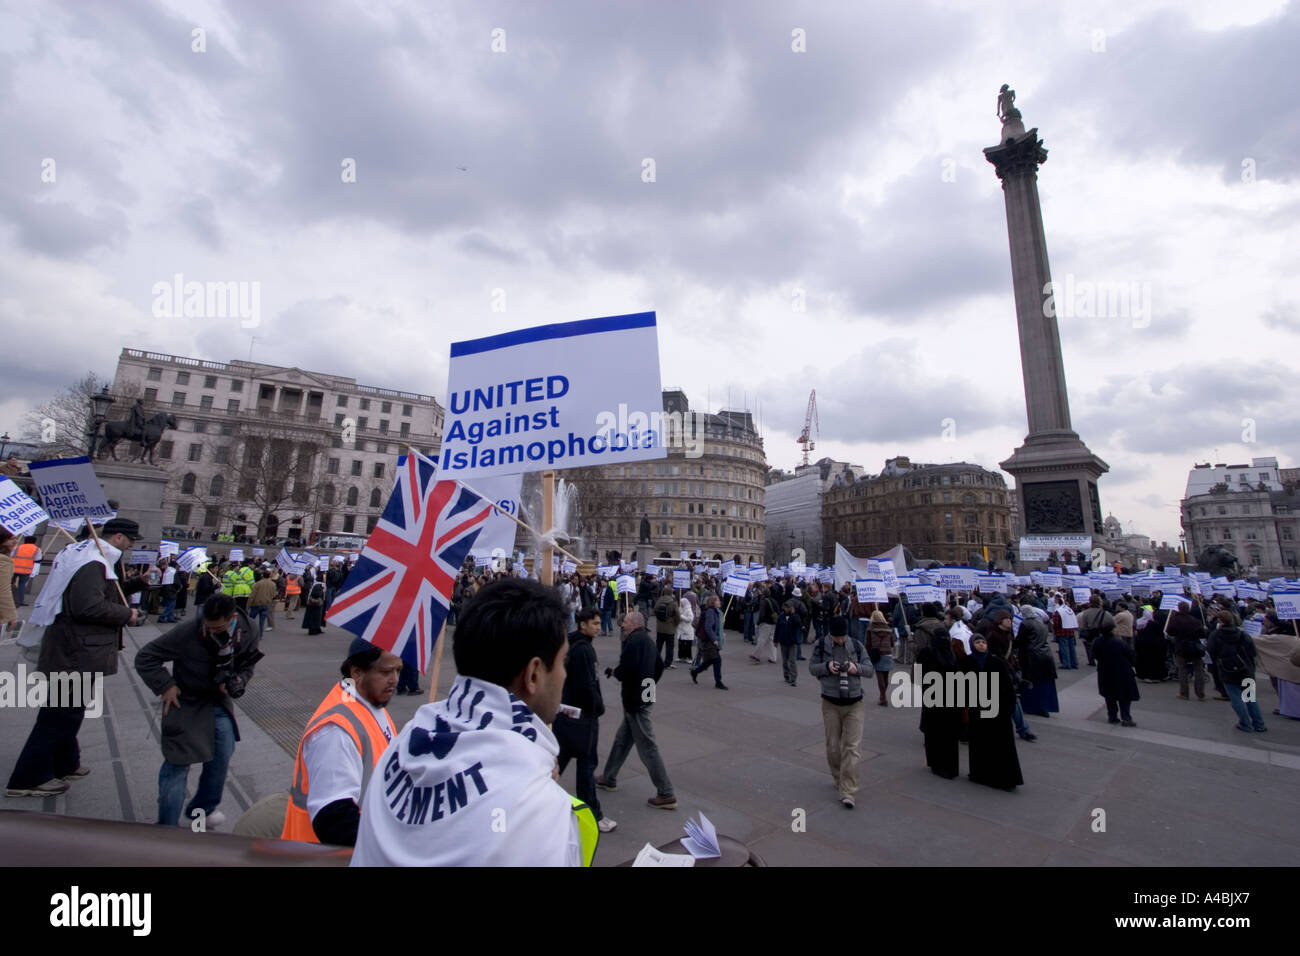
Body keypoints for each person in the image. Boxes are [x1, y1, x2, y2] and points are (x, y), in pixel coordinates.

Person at [351, 577, 597, 866]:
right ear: (533, 674)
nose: (564, 676)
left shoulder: (400, 747)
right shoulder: (541, 813)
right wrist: (536, 786)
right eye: (561, 662)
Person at [6, 519, 144, 797]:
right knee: (59, 714)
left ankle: (64, 763)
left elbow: (102, 595)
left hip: (75, 649)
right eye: (130, 540)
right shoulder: (94, 563)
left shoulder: (86, 555)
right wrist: (126, 615)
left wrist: (132, 585)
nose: (132, 546)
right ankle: (27, 778)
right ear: (118, 537)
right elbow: (88, 605)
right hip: (76, 651)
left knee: (69, 711)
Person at [135, 592, 263, 828]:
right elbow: (145, 657)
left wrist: (239, 680)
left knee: (221, 757)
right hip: (186, 701)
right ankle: (166, 826)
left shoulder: (249, 630)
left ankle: (201, 810)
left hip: (218, 701)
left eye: (218, 627)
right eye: (208, 626)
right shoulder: (188, 631)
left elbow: (248, 664)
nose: (211, 630)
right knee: (178, 763)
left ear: (233, 618)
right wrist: (166, 686)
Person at [282, 638, 399, 845]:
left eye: (398, 670)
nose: (394, 679)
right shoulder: (335, 732)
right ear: (356, 673)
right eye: (385, 672)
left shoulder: (371, 703)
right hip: (324, 856)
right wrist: (393, 845)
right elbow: (334, 819)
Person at [596, 610, 678, 809]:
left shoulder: (632, 642)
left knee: (647, 746)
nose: (621, 625)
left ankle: (666, 792)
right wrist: (649, 685)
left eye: (624, 622)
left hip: (635, 699)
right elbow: (658, 667)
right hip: (646, 694)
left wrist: (616, 672)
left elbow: (627, 670)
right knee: (623, 739)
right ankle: (609, 777)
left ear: (633, 624)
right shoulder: (648, 641)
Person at [554, 608, 616, 834]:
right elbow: (586, 684)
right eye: (595, 624)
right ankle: (593, 813)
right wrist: (597, 706)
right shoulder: (583, 651)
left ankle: (533, 802)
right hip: (583, 715)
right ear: (583, 624)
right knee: (587, 764)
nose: (599, 627)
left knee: (560, 760)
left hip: (568, 713)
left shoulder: (573, 644)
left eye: (600, 623)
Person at [808, 616, 872, 808]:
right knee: (833, 746)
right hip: (830, 702)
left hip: (855, 702)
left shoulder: (857, 646)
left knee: (852, 748)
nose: (840, 640)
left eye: (842, 636)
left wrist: (856, 668)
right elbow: (812, 668)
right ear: (831, 635)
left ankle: (848, 790)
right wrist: (827, 667)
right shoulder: (821, 645)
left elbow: (870, 670)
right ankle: (838, 778)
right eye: (837, 637)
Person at [962, 632, 1023, 791]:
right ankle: (980, 774)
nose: (981, 645)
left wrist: (1009, 705)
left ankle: (1005, 779)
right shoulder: (967, 662)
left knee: (1001, 745)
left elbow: (1007, 686)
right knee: (980, 743)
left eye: (983, 642)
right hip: (978, 709)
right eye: (977, 642)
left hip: (998, 709)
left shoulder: (996, 662)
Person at [914, 605, 960, 779]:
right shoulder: (950, 654)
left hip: (932, 697)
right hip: (949, 699)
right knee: (947, 736)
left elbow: (919, 675)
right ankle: (947, 766)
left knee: (933, 733)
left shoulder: (927, 652)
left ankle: (935, 762)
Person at [1208, 610, 1268, 733]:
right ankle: (1259, 724)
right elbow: (1252, 652)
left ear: (1220, 621)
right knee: (1250, 698)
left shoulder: (1215, 635)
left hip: (1227, 670)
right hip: (1246, 669)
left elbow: (1211, 652)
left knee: (1236, 698)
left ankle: (1245, 723)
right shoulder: (1243, 634)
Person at [1092, 620, 1139, 726]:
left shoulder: (1098, 641)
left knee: (1109, 695)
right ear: (1112, 630)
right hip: (1122, 671)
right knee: (1124, 696)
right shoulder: (1119, 642)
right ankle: (1126, 718)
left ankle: (1112, 716)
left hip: (1105, 671)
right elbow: (1131, 655)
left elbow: (1094, 655)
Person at [1016, 604, 1059, 718]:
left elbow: (1020, 641)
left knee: (1031, 683)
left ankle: (1032, 706)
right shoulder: (1040, 623)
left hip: (1032, 657)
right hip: (1046, 655)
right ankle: (1044, 706)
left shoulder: (1025, 624)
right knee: (1044, 683)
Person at [1168, 601, 1208, 701]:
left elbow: (1170, 632)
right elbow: (1202, 634)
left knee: (1182, 670)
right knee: (1198, 669)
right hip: (1195, 647)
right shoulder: (1195, 620)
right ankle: (1200, 693)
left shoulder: (1175, 619)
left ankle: (1184, 693)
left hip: (1181, 646)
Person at [689, 595, 727, 689]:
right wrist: (714, 639)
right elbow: (708, 627)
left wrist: (722, 622)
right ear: (713, 602)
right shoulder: (710, 612)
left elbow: (716, 626)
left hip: (713, 640)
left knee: (709, 661)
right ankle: (718, 682)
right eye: (718, 600)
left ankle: (695, 672)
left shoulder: (717, 612)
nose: (719, 602)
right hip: (709, 640)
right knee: (717, 660)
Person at [866, 608, 897, 706]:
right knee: (885, 676)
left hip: (877, 653)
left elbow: (868, 643)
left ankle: (883, 697)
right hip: (887, 652)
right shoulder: (888, 628)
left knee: (879, 676)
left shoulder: (870, 628)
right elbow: (892, 643)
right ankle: (882, 695)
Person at [652, 586, 680, 670]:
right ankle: (667, 663)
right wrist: (675, 623)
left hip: (660, 627)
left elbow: (654, 611)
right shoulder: (673, 602)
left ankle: (655, 661)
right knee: (669, 647)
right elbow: (677, 615)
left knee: (658, 645)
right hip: (670, 627)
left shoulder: (659, 600)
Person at [775, 601, 802, 686]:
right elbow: (777, 629)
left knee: (792, 660)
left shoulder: (795, 617)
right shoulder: (781, 617)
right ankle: (786, 676)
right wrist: (775, 640)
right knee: (785, 661)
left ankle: (793, 679)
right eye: (785, 607)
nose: (786, 609)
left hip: (792, 642)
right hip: (783, 642)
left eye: (788, 607)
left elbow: (798, 625)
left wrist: (793, 615)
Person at [11, 535, 41, 607]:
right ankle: (20, 601)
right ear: (35, 541)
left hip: (13, 569)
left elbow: (11, 556)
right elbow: (37, 561)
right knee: (22, 585)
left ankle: (8, 599)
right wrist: (35, 572)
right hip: (26, 570)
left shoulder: (17, 547)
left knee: (9, 585)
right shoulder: (37, 549)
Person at [247, 569, 276, 638]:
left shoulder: (257, 584)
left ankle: (250, 633)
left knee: (251, 620)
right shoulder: (273, 584)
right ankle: (260, 635)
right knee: (261, 622)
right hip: (266, 604)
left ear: (262, 576)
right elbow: (273, 595)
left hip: (255, 604)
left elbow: (252, 596)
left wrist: (248, 606)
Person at [0, 532, 17, 640]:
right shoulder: (3, 560)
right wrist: (10, 615)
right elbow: (2, 589)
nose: (15, 542)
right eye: (11, 539)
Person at [675, 590, 696, 663]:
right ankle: (681, 656)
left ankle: (689, 657)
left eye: (681, 603)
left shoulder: (688, 609)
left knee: (687, 645)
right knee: (681, 644)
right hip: (681, 629)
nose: (680, 604)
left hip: (687, 630)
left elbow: (690, 619)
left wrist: (681, 616)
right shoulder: (680, 608)